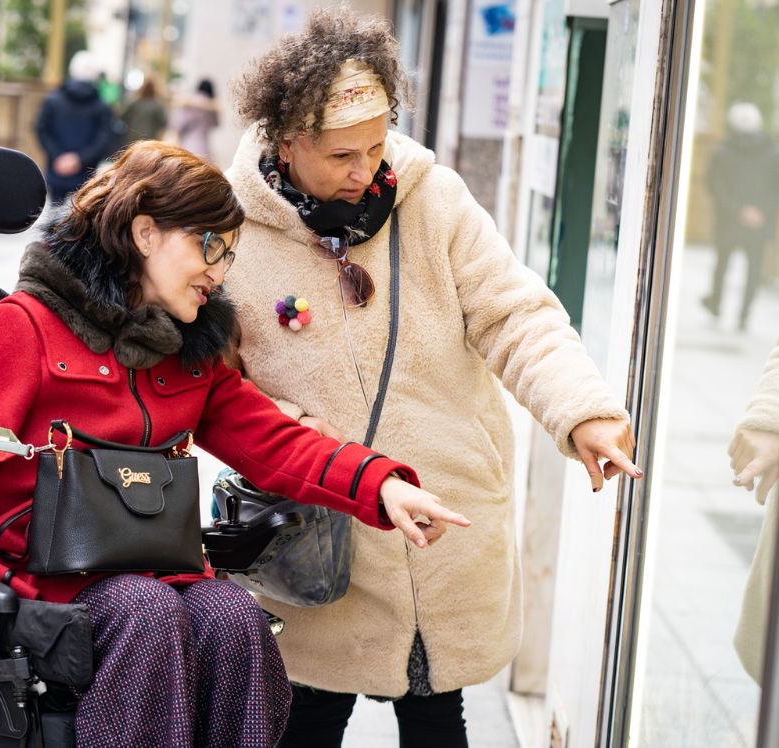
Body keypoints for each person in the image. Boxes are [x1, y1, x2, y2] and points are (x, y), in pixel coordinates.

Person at [0, 140, 470, 747]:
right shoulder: (22, 327)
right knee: (150, 616)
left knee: (235, 617)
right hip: (39, 579)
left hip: (150, 574)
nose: (219, 272)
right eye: (208, 245)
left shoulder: (188, 355)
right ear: (145, 233)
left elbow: (276, 443)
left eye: (228, 252)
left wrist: (381, 485)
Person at [226, 10, 640, 745]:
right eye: (342, 154)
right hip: (321, 529)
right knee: (309, 717)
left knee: (436, 714)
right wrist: (287, 423)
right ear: (287, 143)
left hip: (442, 520)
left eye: (378, 146)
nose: (367, 171)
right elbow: (216, 382)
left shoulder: (434, 198)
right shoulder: (232, 233)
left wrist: (581, 411)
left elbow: (515, 315)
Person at [702, 102, 779, 331]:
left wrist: (738, 211)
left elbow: (715, 184)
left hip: (729, 221)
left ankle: (716, 304)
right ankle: (743, 315)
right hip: (759, 224)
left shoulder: (722, 152)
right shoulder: (775, 154)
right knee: (753, 270)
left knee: (722, 265)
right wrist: (761, 212)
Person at [35, 51, 118, 203]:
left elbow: (42, 130)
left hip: (56, 171)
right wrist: (79, 160)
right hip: (86, 176)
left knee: (52, 220)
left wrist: (59, 156)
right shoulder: (102, 106)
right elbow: (104, 139)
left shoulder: (53, 100)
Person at [167, 78, 220, 161]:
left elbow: (177, 125)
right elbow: (216, 124)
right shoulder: (212, 106)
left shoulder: (187, 102)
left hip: (187, 146)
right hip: (204, 147)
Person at [120, 79, 168, 148]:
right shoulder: (157, 105)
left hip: (132, 138)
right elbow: (163, 122)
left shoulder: (135, 102)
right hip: (149, 139)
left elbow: (123, 116)